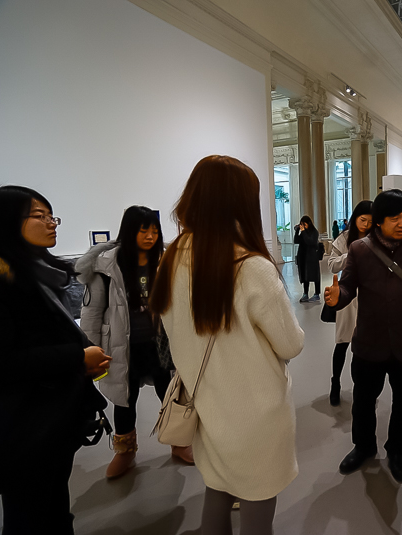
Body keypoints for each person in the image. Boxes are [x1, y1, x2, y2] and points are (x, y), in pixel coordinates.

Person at [150, 155, 305, 535]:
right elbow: (290, 344)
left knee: (218, 488)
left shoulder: (171, 259)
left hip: (207, 405)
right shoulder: (251, 267)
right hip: (257, 412)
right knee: (258, 497)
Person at [0, 186, 111, 534]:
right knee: (31, 516)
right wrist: (76, 357)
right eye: (38, 216)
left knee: (52, 507)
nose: (51, 223)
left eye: (51, 215)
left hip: (52, 416)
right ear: (4, 221)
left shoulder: (37, 273)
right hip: (25, 423)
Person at [324, 189, 402, 483]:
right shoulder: (360, 249)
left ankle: (397, 451)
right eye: (395, 218)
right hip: (370, 341)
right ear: (379, 220)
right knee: (363, 401)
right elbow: (348, 287)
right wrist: (337, 297)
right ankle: (363, 446)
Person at [77, 206, 193, 479]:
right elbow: (92, 311)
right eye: (144, 231)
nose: (151, 236)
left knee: (171, 393)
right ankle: (125, 451)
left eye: (154, 230)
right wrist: (91, 349)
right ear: (130, 231)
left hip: (160, 343)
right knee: (125, 399)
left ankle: (178, 442)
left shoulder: (167, 261)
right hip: (122, 345)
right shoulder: (106, 267)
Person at [327, 200, 373, 406]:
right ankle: (335, 383)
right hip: (346, 296)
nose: (366, 225)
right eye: (363, 220)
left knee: (363, 346)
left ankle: (361, 388)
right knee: (342, 342)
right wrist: (351, 254)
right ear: (355, 219)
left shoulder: (377, 239)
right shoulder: (344, 238)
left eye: (370, 221)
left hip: (369, 298)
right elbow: (331, 265)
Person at [295, 215, 321, 303]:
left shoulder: (314, 232)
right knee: (305, 275)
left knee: (315, 275)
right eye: (302, 224)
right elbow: (296, 241)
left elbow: (310, 241)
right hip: (303, 256)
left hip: (312, 256)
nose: (303, 226)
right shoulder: (303, 232)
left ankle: (317, 294)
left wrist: (303, 232)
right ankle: (305, 293)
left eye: (304, 224)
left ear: (309, 223)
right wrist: (297, 231)